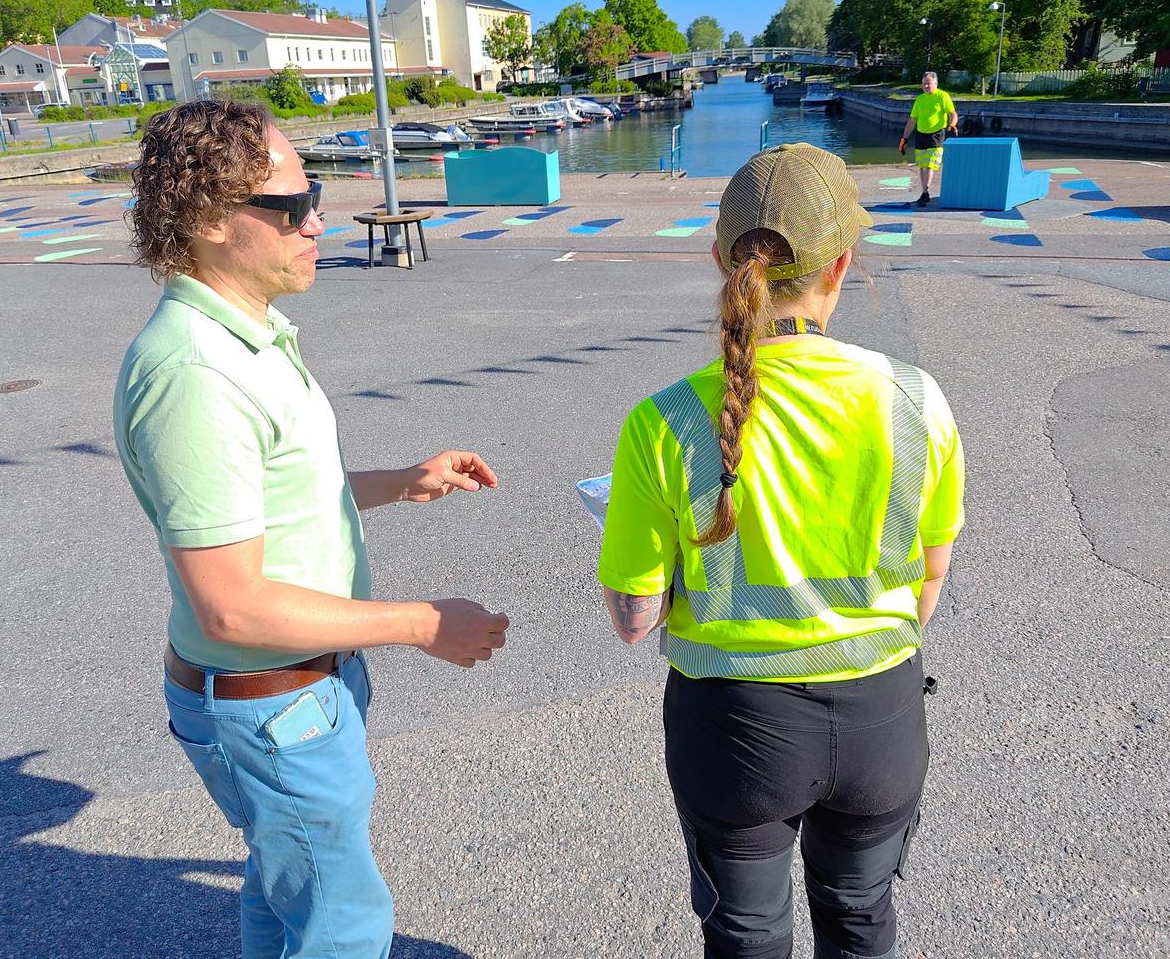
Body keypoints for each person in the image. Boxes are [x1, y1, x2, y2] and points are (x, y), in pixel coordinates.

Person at [113, 99, 511, 959]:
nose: (318, 222)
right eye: (292, 207)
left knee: (283, 888)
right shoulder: (196, 373)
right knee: (346, 922)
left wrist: (402, 483)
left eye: (314, 196)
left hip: (298, 691)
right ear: (214, 222)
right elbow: (230, 608)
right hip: (271, 702)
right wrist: (425, 624)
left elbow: (277, 498)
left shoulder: (244, 338)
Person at [598, 143, 965, 959]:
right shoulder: (916, 400)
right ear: (842, 264)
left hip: (735, 731)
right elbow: (927, 592)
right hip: (882, 717)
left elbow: (634, 620)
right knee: (861, 913)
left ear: (719, 259)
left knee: (748, 932)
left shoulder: (665, 420)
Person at [898, 71, 958, 207]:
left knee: (930, 164)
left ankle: (925, 192)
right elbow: (912, 120)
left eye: (929, 83)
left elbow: (953, 113)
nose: (926, 85)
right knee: (922, 165)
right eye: (924, 83)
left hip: (936, 134)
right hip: (921, 134)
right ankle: (924, 191)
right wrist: (904, 139)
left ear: (936, 83)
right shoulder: (920, 99)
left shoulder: (942, 96)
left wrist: (952, 125)